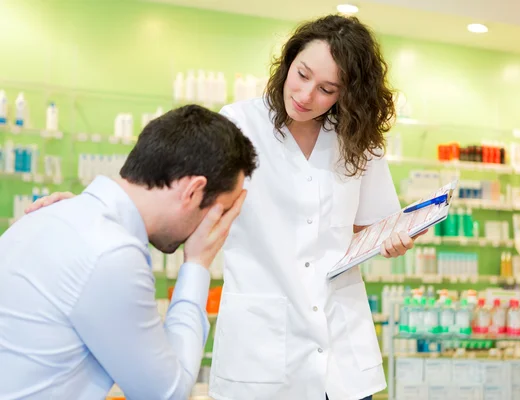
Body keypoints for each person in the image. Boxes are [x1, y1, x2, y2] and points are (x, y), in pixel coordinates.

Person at [27, 14, 424, 400]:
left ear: (348, 94)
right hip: (263, 351)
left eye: (327, 89)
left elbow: (372, 226)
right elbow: (166, 191)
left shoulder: (358, 141)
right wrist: (87, 209)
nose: (305, 95)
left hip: (342, 353)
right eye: (302, 75)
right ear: (288, 61)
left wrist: (391, 239)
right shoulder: (239, 122)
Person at [0, 105, 258, 400]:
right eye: (220, 212)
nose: (216, 227)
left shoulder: (54, 217)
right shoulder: (110, 254)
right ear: (193, 191)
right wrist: (198, 265)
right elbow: (167, 395)